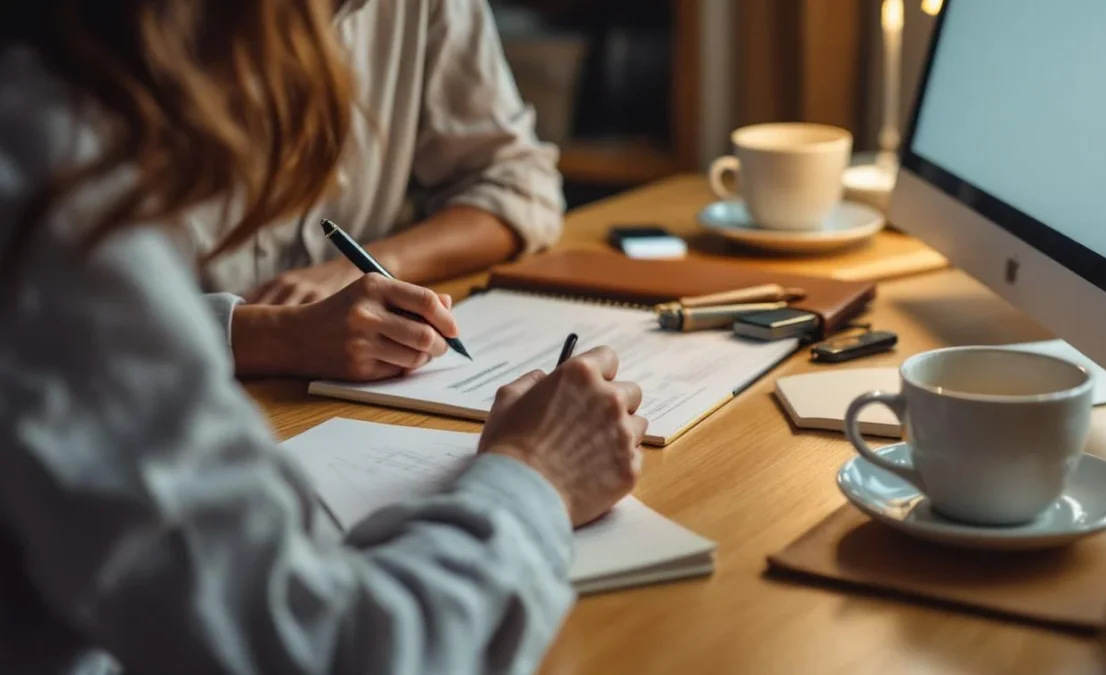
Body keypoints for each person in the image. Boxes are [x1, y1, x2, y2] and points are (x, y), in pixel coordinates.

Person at [0, 2, 646, 674]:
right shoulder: (52, 199)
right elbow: (335, 650)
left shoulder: (56, 135)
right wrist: (538, 473)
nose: (327, 36)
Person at [194, 0, 564, 382]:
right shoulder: (151, 25)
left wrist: (363, 268)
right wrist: (277, 337)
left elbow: (521, 183)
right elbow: (126, 325)